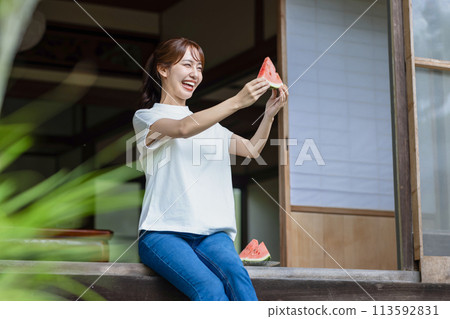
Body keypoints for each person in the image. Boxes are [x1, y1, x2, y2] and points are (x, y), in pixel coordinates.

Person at [132, 37, 288, 301]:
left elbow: (252, 149)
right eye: (187, 65)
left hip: (212, 235)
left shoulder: (211, 127)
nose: (195, 73)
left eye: (200, 68)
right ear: (163, 69)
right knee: (210, 289)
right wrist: (238, 101)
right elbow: (183, 128)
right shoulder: (148, 118)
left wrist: (270, 114)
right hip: (162, 234)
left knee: (239, 280)